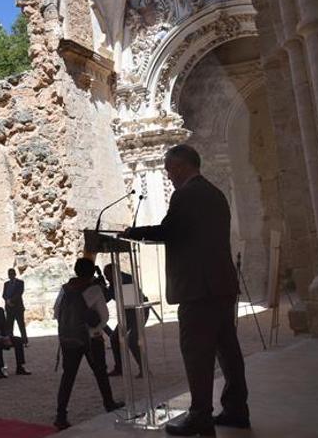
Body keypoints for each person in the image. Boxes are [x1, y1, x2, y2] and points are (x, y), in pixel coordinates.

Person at [123, 144, 249, 434]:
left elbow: (170, 231)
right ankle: (236, 409)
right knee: (228, 351)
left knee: (197, 354)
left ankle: (200, 415)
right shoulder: (215, 194)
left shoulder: (186, 195)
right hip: (222, 285)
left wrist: (134, 233)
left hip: (198, 289)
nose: (168, 176)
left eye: (169, 170)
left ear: (180, 166)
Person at [53, 257, 123, 430]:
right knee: (100, 372)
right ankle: (109, 403)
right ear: (92, 272)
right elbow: (104, 316)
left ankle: (60, 415)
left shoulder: (65, 289)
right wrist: (96, 329)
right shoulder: (94, 290)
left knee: (68, 376)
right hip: (91, 339)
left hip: (68, 338)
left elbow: (56, 312)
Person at [103, 264, 148, 377]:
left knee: (132, 340)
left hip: (138, 310)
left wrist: (108, 289)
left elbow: (128, 300)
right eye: (105, 275)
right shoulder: (115, 282)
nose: (107, 278)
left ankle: (144, 369)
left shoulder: (126, 279)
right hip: (128, 312)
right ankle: (119, 368)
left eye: (108, 275)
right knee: (114, 338)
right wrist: (101, 288)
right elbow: (106, 299)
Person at [2, 268, 28, 345]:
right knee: (9, 325)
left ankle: (24, 341)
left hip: (18, 307)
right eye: (9, 274)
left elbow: (20, 293)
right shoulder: (6, 284)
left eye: (12, 274)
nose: (10, 275)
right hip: (9, 307)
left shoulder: (20, 282)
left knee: (21, 325)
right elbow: (4, 294)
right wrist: (7, 300)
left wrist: (11, 301)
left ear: (15, 274)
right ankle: (11, 340)